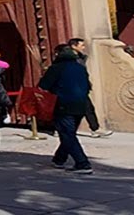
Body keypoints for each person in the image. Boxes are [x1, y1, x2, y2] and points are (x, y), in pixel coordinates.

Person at [39, 43, 94, 173]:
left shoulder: (56, 68)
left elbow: (43, 85)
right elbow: (88, 86)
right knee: (69, 133)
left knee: (67, 134)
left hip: (63, 104)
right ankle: (59, 159)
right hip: (81, 104)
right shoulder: (80, 68)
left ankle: (82, 163)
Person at [67, 38, 112, 138]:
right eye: (81, 45)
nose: (83, 48)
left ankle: (95, 128)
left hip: (81, 87)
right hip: (71, 87)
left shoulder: (81, 58)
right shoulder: (67, 59)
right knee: (69, 110)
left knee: (88, 108)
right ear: (74, 46)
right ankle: (61, 129)